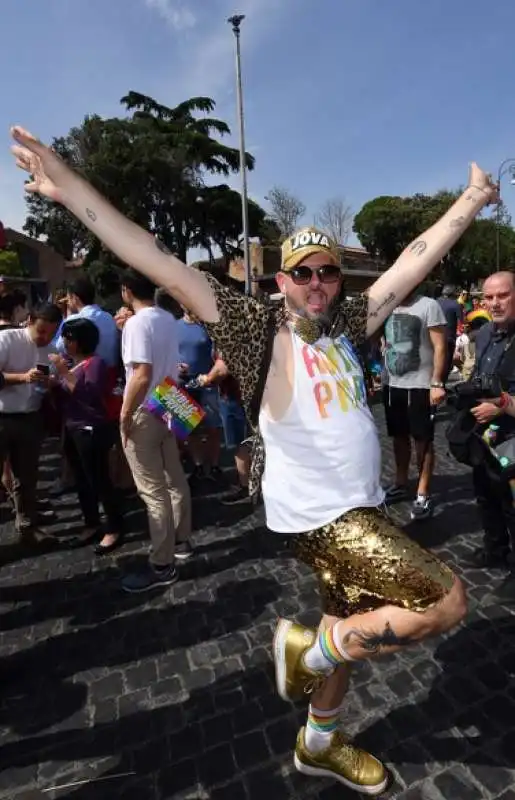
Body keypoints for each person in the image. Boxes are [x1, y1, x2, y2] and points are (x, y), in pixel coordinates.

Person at [9, 126, 498, 794]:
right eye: (304, 272)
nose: (319, 282)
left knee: (345, 624)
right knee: (445, 602)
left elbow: (408, 264)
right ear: (281, 279)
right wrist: (66, 187)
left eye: (328, 271)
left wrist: (469, 202)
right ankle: (305, 649)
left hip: (359, 505)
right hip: (322, 517)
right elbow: (153, 256)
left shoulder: (346, 326)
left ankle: (317, 740)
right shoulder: (250, 325)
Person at [119, 270, 192, 593]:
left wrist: (124, 415)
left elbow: (140, 374)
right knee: (174, 478)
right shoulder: (166, 317)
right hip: (169, 398)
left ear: (126, 292)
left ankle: (162, 564)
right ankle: (182, 540)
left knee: (153, 491)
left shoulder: (137, 323)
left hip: (147, 403)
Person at [50, 317, 125, 554]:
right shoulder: (75, 364)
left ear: (78, 341)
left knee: (99, 479)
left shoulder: (95, 364)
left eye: (68, 338)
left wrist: (62, 372)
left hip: (90, 429)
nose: (64, 342)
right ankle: (91, 522)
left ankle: (114, 526)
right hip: (72, 427)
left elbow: (88, 394)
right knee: (82, 480)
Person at [465, 272, 515, 599]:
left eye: (503, 296)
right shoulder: (483, 334)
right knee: (486, 494)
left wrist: (500, 406)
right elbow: (477, 374)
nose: (495, 303)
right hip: (484, 435)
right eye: (489, 297)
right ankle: (494, 548)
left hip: (512, 434)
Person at [0, 302, 62, 544]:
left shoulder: (51, 349)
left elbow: (49, 382)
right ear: (29, 322)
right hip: (3, 417)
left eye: (51, 332)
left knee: (27, 478)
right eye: (41, 331)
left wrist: (50, 384)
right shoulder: (7, 340)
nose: (45, 338)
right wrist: (22, 377)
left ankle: (26, 526)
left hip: (30, 418)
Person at [382, 292, 447, 519]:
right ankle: (401, 482)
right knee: (398, 436)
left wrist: (437, 382)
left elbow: (440, 346)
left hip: (420, 385)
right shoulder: (387, 305)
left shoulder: (429, 305)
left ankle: (423, 491)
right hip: (392, 384)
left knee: (423, 440)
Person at [56, 276, 119, 368]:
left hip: (88, 373)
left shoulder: (75, 319)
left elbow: (61, 347)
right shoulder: (108, 317)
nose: (68, 302)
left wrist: (69, 315)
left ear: (75, 297)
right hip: (111, 374)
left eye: (68, 298)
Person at [438, 284, 463, 382]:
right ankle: (442, 385)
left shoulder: (435, 302)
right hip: (449, 338)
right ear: (453, 294)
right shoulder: (455, 304)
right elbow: (462, 320)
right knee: (447, 363)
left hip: (433, 337)